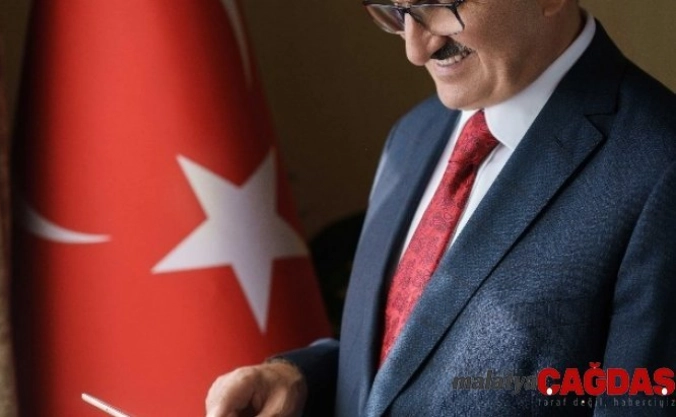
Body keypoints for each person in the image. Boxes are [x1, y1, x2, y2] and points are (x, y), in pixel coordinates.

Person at [206, 0, 676, 415]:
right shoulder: (413, 134)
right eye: (396, 11)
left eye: (440, 5)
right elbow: (408, 358)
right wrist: (301, 379)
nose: (415, 50)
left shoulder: (660, 166)